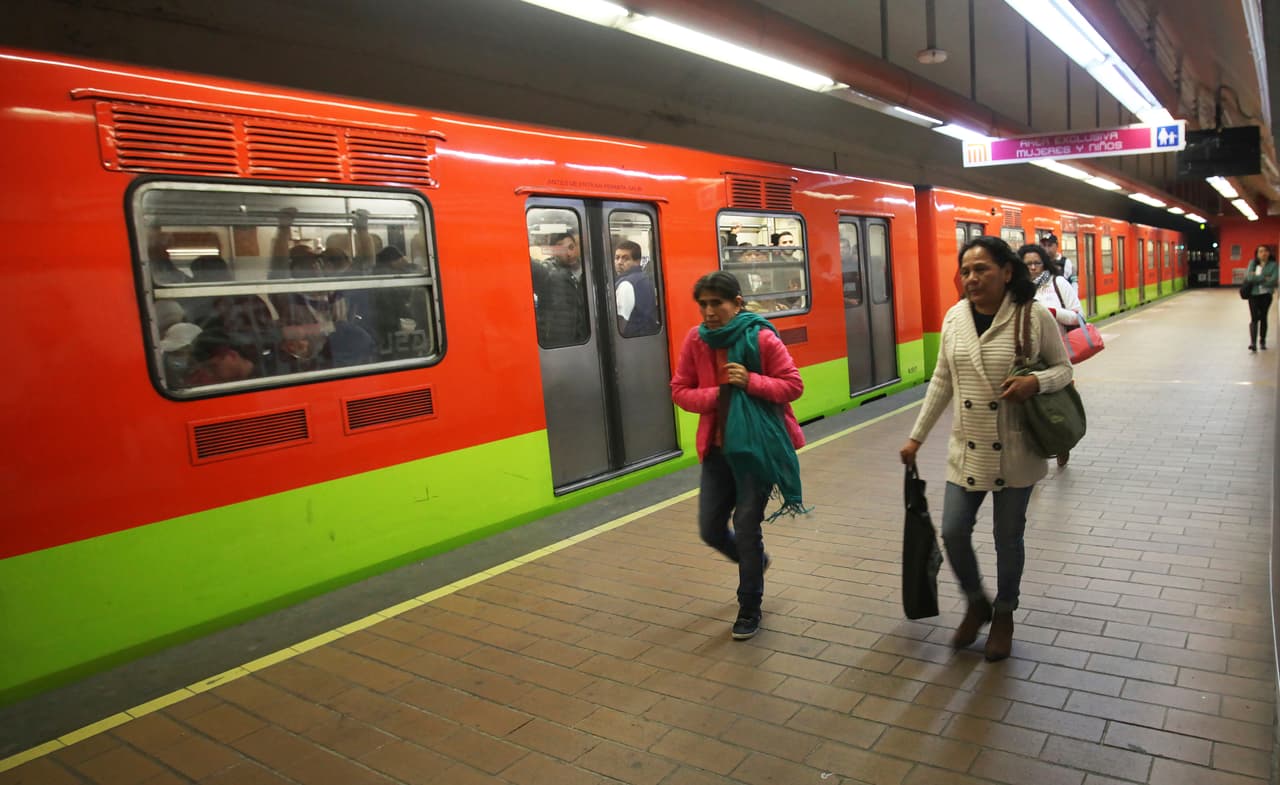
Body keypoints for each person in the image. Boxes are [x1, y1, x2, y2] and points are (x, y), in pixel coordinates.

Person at [899, 236, 1072, 662]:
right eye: (967, 270)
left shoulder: (1033, 317)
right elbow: (942, 380)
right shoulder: (955, 317)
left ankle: (1005, 614)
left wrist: (1037, 382)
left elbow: (1064, 369)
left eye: (982, 269)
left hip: (1016, 449)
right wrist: (916, 436)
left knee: (1007, 538)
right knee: (955, 530)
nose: (972, 278)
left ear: (1007, 272)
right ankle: (977, 601)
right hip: (968, 447)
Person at [671, 271, 807, 641]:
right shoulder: (696, 341)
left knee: (747, 527)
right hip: (717, 450)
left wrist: (751, 382)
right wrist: (718, 394)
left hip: (756, 448)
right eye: (704, 305)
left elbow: (793, 385)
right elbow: (680, 390)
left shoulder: (762, 338)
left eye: (718, 303)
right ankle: (756, 563)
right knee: (711, 529)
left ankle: (749, 605)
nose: (710, 311)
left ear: (738, 303)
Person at [1019, 244, 1082, 467]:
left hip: (1058, 355)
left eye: (1037, 263)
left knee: (1059, 405)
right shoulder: (1017, 288)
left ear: (1044, 263)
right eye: (1028, 264)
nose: (1033, 268)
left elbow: (1078, 316)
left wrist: (1054, 312)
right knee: (1032, 407)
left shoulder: (1058, 283)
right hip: (1029, 359)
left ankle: (1063, 443)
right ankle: (1035, 451)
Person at [530, 232, 589, 345]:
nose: (568, 253)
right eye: (561, 250)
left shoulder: (588, 273)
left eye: (571, 247)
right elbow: (531, 266)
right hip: (557, 343)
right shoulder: (549, 272)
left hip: (584, 341)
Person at [613, 240, 658, 337]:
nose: (619, 262)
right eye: (617, 258)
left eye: (626, 259)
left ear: (637, 262)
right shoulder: (643, 279)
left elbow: (620, 324)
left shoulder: (626, 284)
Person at [1242, 244, 1278, 351]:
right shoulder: (1252, 263)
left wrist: (1257, 277)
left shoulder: (1274, 265)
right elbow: (1249, 277)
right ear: (1257, 254)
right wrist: (1264, 277)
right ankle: (1253, 343)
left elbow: (1274, 280)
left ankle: (1262, 340)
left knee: (1263, 317)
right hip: (1253, 295)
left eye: (1265, 251)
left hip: (1266, 295)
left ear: (1269, 253)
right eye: (1261, 251)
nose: (1263, 253)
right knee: (1254, 318)